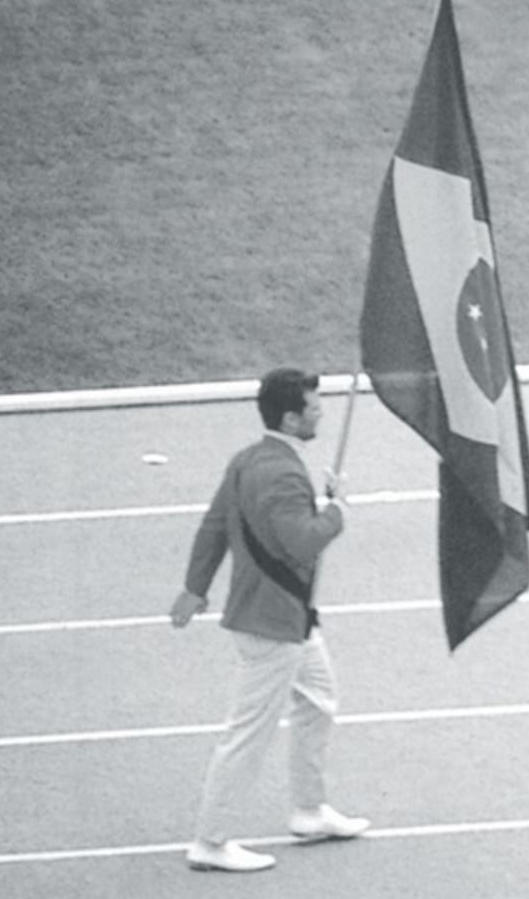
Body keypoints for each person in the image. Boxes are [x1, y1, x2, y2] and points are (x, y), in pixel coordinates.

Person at [169, 367, 369, 872]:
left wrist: (196, 587)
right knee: (247, 733)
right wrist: (337, 510)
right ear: (290, 416)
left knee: (319, 698)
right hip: (273, 622)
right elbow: (301, 542)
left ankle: (309, 809)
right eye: (314, 408)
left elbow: (213, 527)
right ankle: (210, 842)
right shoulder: (281, 473)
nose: (320, 413)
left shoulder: (247, 460)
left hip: (289, 619)